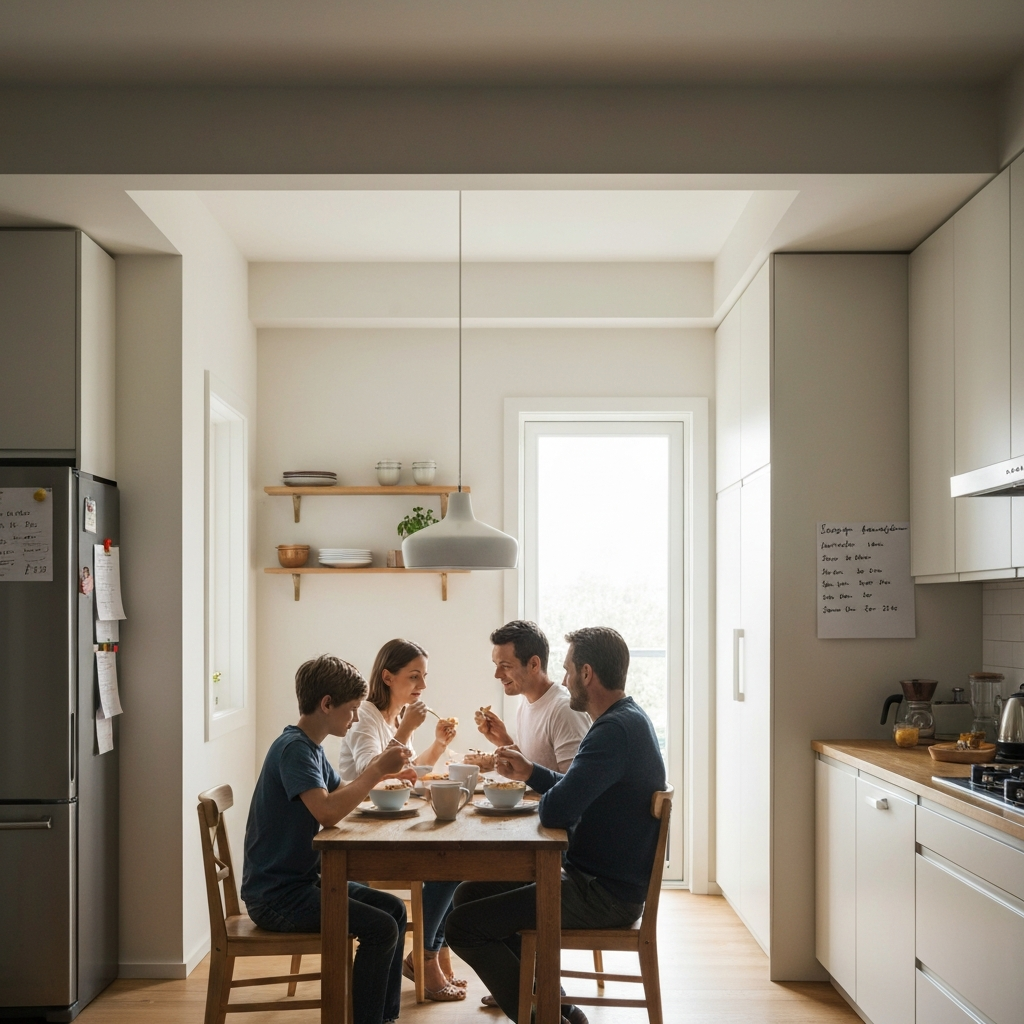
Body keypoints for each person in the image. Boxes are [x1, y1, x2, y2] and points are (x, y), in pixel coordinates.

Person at [446, 627, 667, 1024]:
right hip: (598, 880)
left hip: (603, 894)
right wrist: (531, 771)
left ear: (586, 673)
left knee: (463, 926)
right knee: (468, 895)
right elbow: (573, 788)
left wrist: (548, 794)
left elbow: (556, 811)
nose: (562, 680)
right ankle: (558, 1009)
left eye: (566, 671)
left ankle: (545, 1019)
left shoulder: (612, 732)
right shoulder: (623, 720)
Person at [241, 654, 411, 1024]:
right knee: (381, 927)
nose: (354, 719)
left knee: (395, 911)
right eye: (351, 710)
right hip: (276, 896)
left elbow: (342, 796)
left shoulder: (311, 749)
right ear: (326, 704)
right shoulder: (294, 750)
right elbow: (328, 812)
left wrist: (383, 769)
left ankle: (384, 1017)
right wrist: (378, 769)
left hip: (304, 882)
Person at [337, 638, 465, 1002]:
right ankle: (426, 958)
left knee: (454, 858)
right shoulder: (365, 716)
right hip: (360, 832)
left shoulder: (393, 717)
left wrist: (438, 745)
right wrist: (406, 730)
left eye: (424, 677)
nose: (422, 686)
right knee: (449, 863)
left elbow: (406, 773)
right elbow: (367, 774)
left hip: (387, 822)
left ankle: (429, 955)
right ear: (387, 677)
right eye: (414, 677)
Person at [467, 620, 590, 773]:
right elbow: (532, 768)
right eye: (496, 665)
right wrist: (504, 741)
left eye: (505, 666)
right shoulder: (525, 704)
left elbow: (575, 787)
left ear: (533, 664)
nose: (497, 674)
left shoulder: (564, 710)